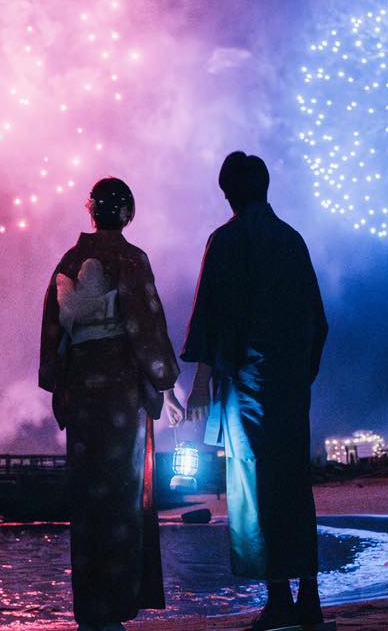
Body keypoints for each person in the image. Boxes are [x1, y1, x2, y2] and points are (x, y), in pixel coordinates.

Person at [183, 152, 332, 631]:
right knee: (294, 486)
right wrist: (298, 376)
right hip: (289, 388)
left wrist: (202, 384)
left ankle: (279, 599)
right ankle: (309, 597)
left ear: (228, 193)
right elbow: (317, 321)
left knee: (255, 488)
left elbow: (211, 318)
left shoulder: (225, 241)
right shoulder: (292, 240)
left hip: (246, 388)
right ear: (265, 188)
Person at [39, 176, 184, 631]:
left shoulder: (69, 260)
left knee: (88, 500)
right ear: (125, 213)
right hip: (121, 390)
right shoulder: (130, 259)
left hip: (82, 390)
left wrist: (60, 382)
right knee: (122, 497)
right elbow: (146, 324)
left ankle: (91, 612)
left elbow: (53, 331)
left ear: (91, 211)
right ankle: (115, 608)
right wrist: (165, 383)